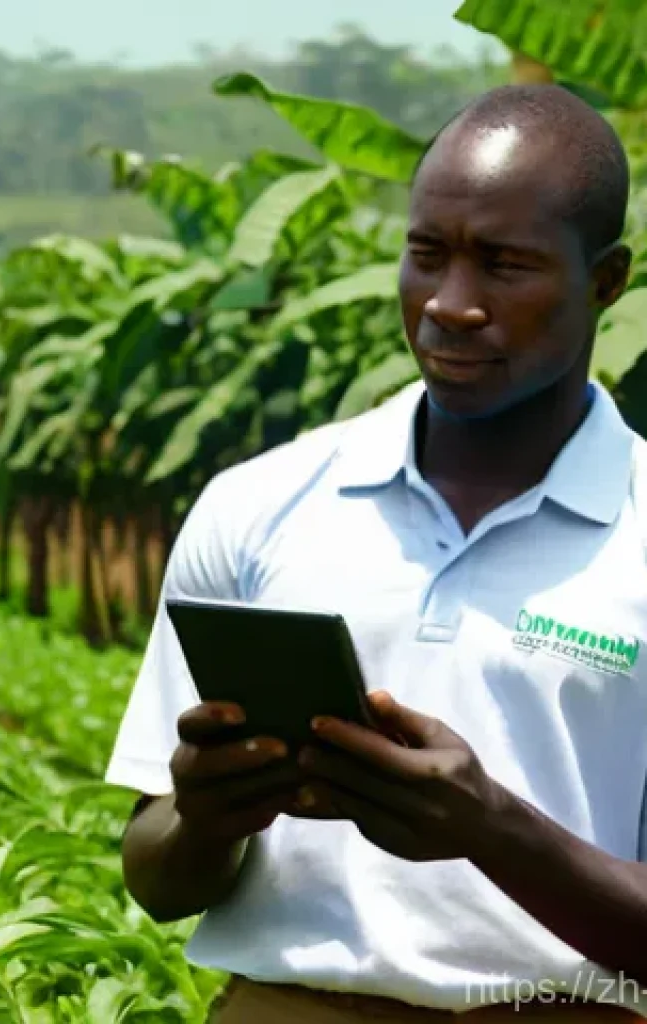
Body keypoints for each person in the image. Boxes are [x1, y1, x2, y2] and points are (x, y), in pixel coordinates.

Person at [106, 84, 647, 1022]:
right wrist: (204, 816)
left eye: (505, 265)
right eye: (426, 254)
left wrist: (492, 829)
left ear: (606, 281)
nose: (450, 305)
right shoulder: (261, 505)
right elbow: (155, 881)